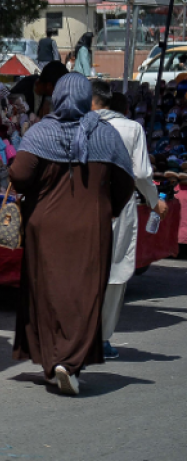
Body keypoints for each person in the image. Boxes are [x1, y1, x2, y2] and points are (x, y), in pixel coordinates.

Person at [10, 73, 135, 396]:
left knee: (46, 293)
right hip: (90, 227)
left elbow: (20, 175)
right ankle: (69, 363)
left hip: (45, 226)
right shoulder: (106, 135)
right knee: (83, 293)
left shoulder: (41, 131)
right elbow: (125, 183)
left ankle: (53, 362)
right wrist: (107, 208)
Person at [91, 84, 168, 359]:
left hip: (82, 207)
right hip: (118, 207)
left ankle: (78, 335)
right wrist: (154, 200)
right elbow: (141, 175)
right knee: (114, 272)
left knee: (85, 270)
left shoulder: (80, 124)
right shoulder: (131, 129)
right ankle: (101, 339)